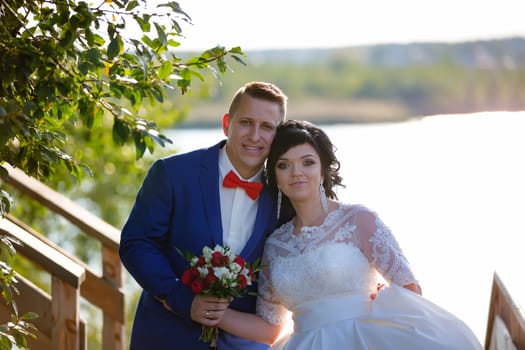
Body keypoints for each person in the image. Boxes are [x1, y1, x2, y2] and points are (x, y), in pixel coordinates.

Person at [217, 120, 483, 349]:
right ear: (274, 176)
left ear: (322, 170)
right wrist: (208, 311)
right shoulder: (274, 245)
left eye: (307, 162)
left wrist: (379, 306)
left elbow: (410, 289)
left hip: (364, 340)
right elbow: (270, 327)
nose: (296, 172)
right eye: (284, 165)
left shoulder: (359, 219)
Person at [119, 81, 288, 349]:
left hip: (244, 344)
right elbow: (137, 244)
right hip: (167, 336)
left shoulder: (284, 193)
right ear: (226, 123)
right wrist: (180, 298)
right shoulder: (172, 174)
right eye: (246, 122)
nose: (255, 136)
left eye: (267, 127)